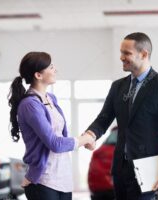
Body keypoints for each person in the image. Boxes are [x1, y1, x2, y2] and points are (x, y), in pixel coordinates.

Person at [83, 32, 158, 200]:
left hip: (149, 169)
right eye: (121, 52)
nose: (121, 57)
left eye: (126, 53)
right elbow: (104, 118)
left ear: (144, 54)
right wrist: (90, 135)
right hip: (121, 169)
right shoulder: (118, 86)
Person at [8, 52, 95, 200]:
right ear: (38, 75)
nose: (55, 70)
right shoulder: (30, 105)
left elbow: (61, 138)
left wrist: (84, 140)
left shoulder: (51, 99)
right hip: (44, 181)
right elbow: (54, 143)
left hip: (63, 179)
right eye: (51, 67)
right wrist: (85, 139)